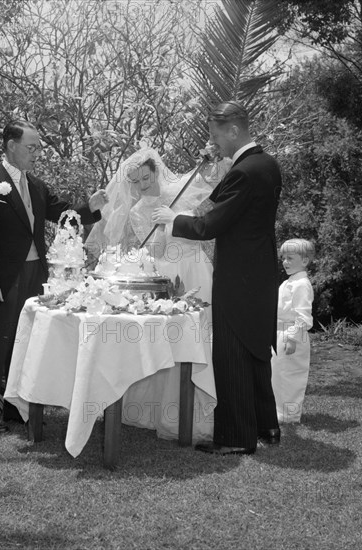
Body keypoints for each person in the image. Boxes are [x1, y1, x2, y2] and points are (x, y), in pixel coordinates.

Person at [153, 101, 282, 455]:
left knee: (233, 353)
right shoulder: (265, 164)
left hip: (238, 276)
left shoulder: (244, 172)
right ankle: (266, 425)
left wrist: (172, 219)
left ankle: (236, 438)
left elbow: (209, 224)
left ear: (233, 131)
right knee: (256, 350)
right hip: (259, 273)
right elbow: (218, 203)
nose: (214, 142)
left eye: (214, 135)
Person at [0, 119, 108, 434]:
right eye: (32, 147)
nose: (37, 153)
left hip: (35, 275)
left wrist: (91, 209)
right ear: (11, 146)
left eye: (39, 148)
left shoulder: (37, 185)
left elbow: (63, 213)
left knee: (24, 342)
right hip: (2, 280)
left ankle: (17, 411)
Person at [85, 146, 228, 441]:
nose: (142, 186)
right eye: (135, 182)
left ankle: (212, 405)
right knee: (170, 340)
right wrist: (162, 229)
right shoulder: (138, 211)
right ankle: (165, 409)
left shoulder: (182, 189)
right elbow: (156, 251)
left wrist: (175, 216)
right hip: (168, 272)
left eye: (146, 178)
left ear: (156, 170)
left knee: (202, 337)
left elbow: (212, 199)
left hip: (195, 270)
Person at [271, 239, 315, 423]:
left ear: (304, 260)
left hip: (291, 334)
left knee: (290, 374)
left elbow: (303, 315)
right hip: (280, 332)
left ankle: (289, 414)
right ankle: (278, 410)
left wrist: (292, 338)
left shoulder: (301, 285)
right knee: (279, 373)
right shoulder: (290, 282)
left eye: (290, 258)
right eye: (283, 258)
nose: (285, 262)